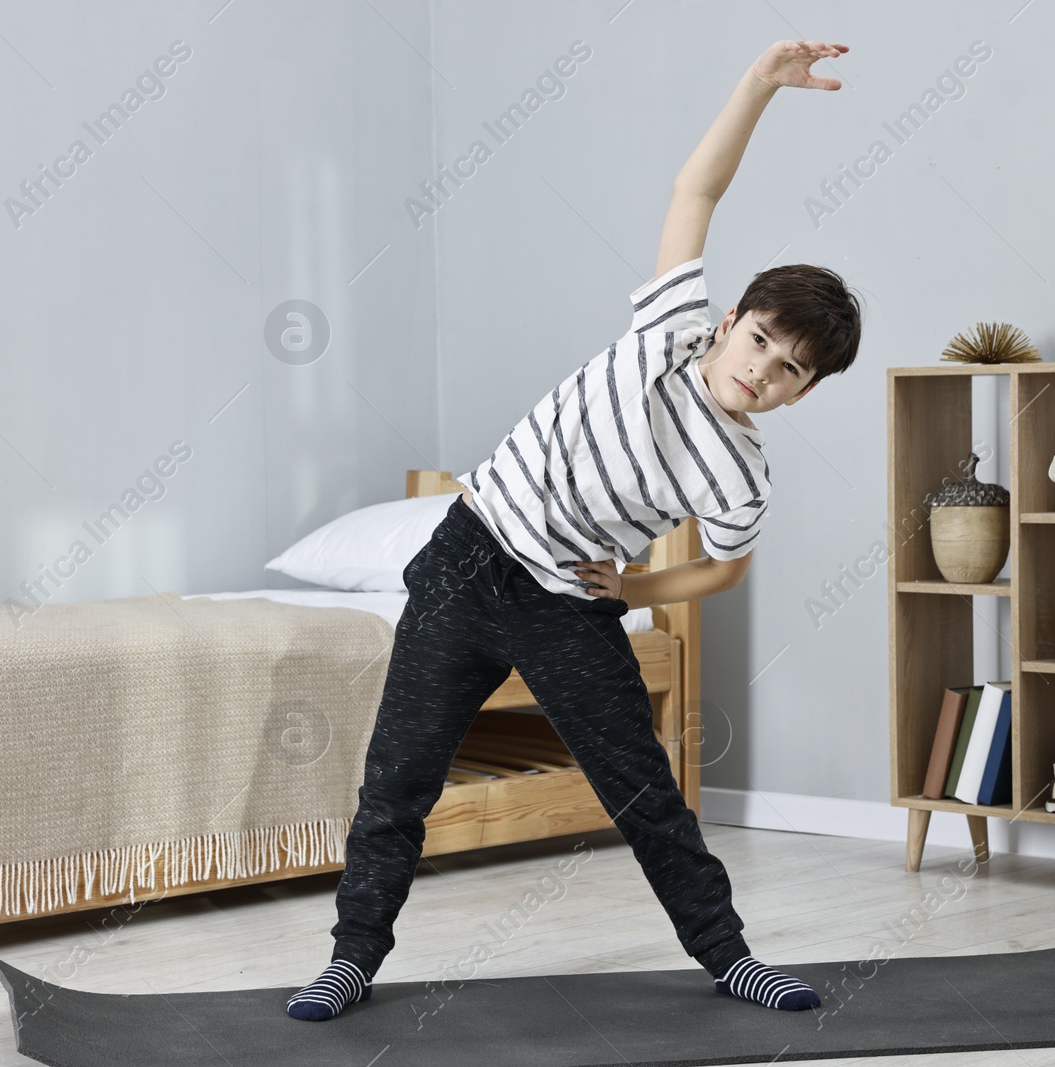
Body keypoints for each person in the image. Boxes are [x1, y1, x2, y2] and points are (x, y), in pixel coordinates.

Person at [286, 39, 862, 1022]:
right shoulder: (670, 330)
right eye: (761, 339)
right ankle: (349, 960)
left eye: (789, 371)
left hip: (563, 601)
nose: (761, 370)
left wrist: (633, 591)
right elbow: (696, 189)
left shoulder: (741, 468)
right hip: (465, 557)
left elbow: (722, 569)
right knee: (399, 775)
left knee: (645, 790)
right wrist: (757, 88)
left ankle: (729, 958)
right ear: (730, 320)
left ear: (801, 395)